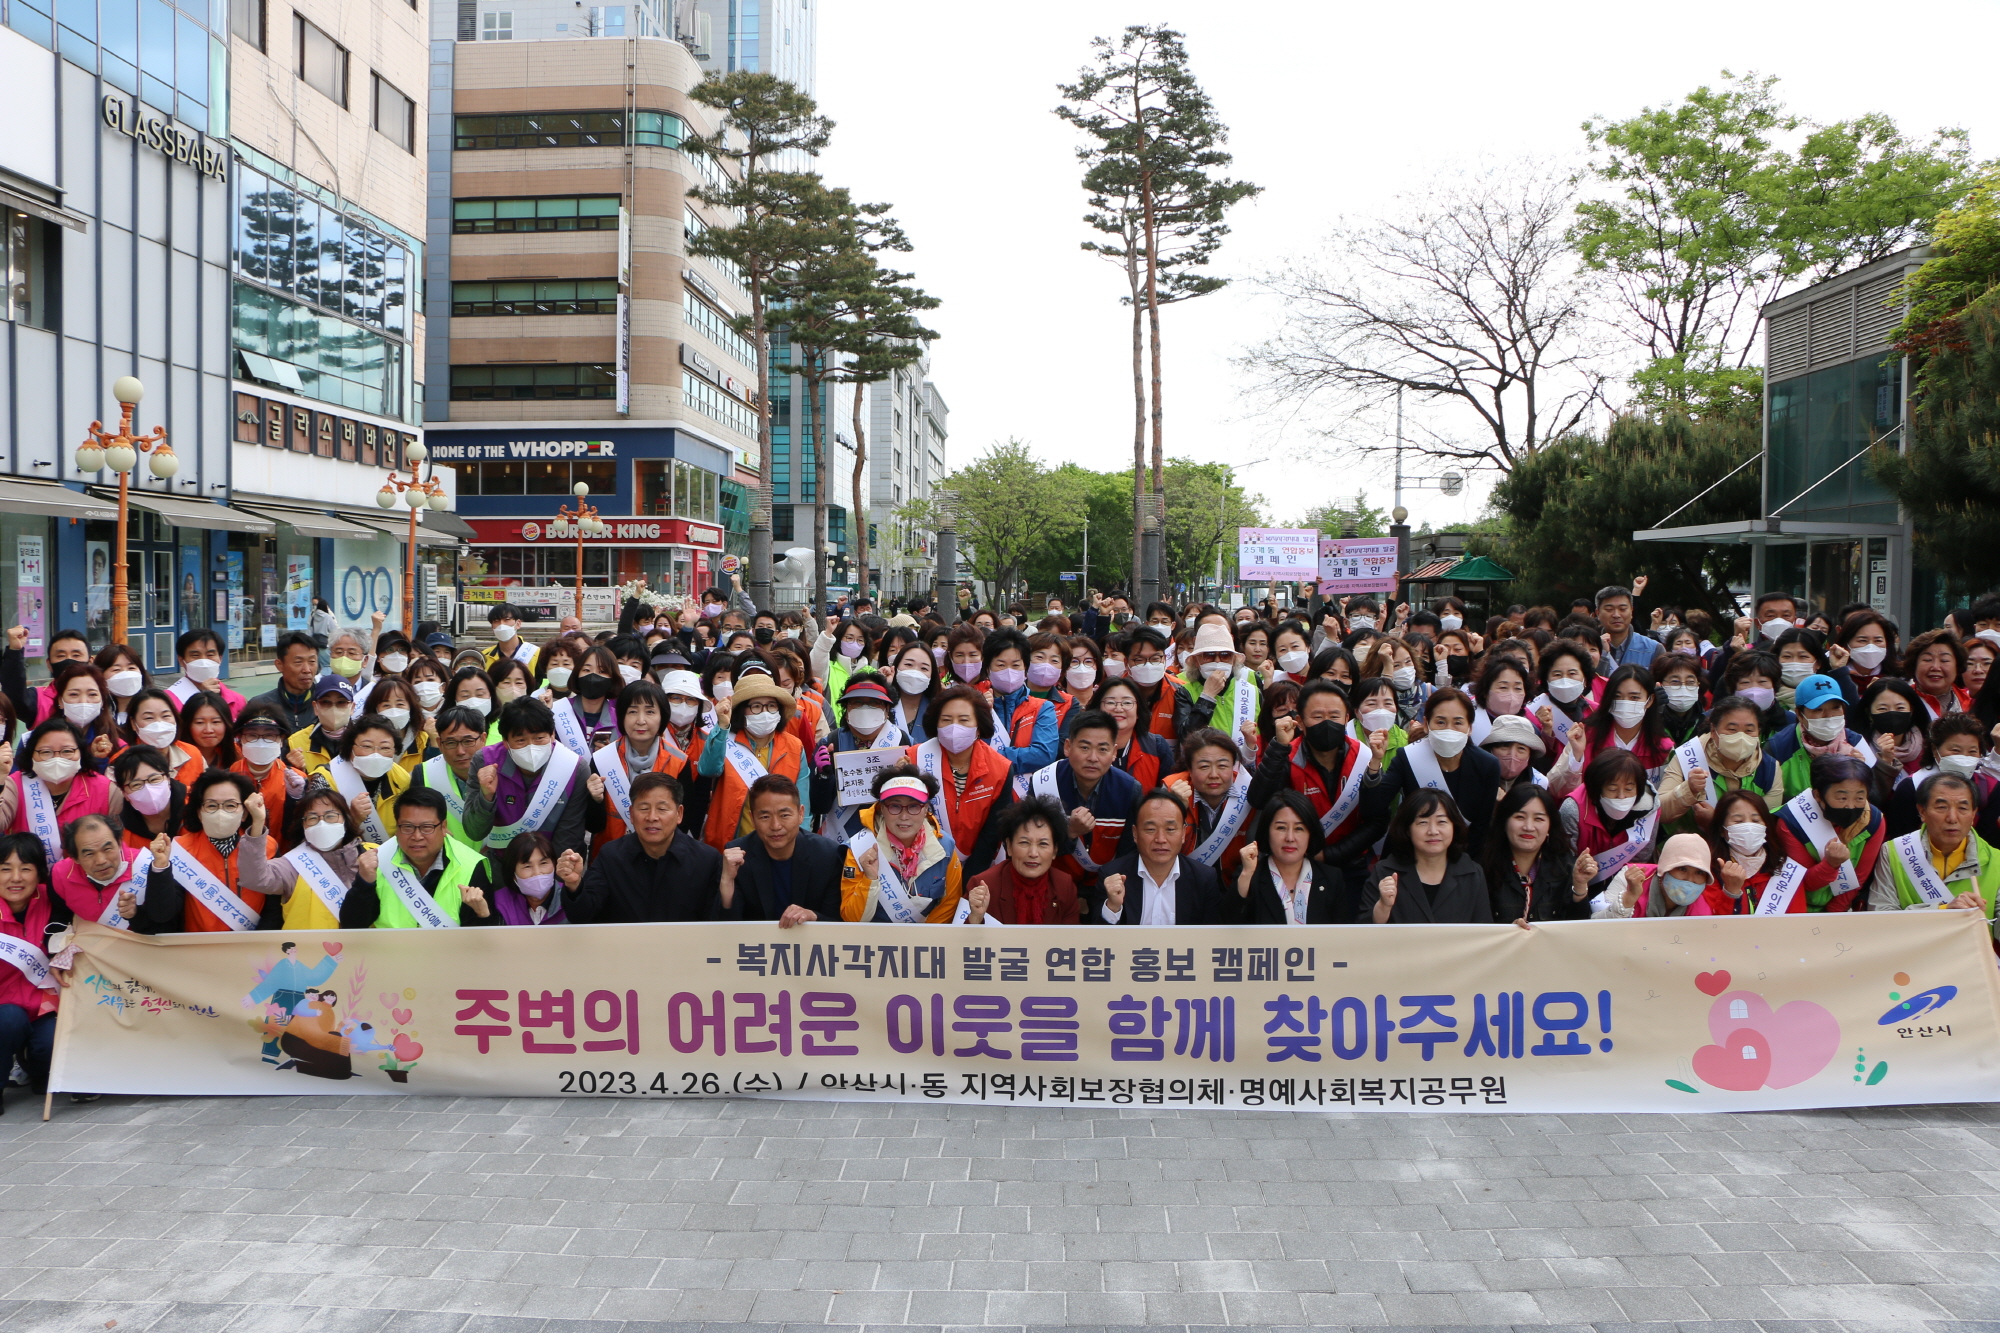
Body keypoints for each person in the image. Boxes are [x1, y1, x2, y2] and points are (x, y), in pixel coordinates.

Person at [562, 773, 726, 921]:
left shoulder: (706, 860)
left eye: (662, 809)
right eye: (644, 808)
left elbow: (717, 923)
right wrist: (575, 886)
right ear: (632, 814)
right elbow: (583, 916)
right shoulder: (611, 856)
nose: (652, 817)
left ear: (679, 814)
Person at [1362, 687, 1503, 856]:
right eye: (1441, 722)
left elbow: (1481, 828)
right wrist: (1376, 761)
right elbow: (1372, 807)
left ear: (1469, 728)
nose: (1448, 729)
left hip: (1460, 857)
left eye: (1458, 722)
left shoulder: (1487, 765)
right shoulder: (1407, 757)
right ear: (1427, 724)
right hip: (1409, 855)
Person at [1016, 709, 1141, 895]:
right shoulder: (1043, 781)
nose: (1093, 757)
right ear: (1067, 747)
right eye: (1084, 747)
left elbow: (1128, 854)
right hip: (1051, 886)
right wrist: (1070, 832)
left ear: (1114, 752)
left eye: (1103, 749)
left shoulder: (1129, 789)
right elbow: (1031, 845)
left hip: (1106, 888)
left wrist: (1097, 894)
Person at [337, 787, 492, 928]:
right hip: (391, 954)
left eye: (426, 827)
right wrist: (364, 883)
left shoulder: (471, 865)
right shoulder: (377, 861)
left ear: (443, 827)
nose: (417, 836)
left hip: (447, 956)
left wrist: (482, 915)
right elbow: (352, 926)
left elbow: (480, 942)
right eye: (407, 827)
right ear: (397, 827)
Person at [147, 770, 279, 932]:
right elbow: (162, 913)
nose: (220, 812)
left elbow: (274, 909)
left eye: (230, 805)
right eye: (211, 805)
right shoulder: (179, 850)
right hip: (200, 949)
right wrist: (160, 869)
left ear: (244, 813)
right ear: (199, 813)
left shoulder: (267, 847)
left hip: (252, 948)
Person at [464, 698, 589, 861]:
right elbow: (474, 831)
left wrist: (544, 875)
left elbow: (569, 835)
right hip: (502, 864)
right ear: (506, 742)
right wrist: (486, 796)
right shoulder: (485, 761)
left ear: (552, 735)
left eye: (539, 738)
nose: (531, 747)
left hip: (554, 866)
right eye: (521, 740)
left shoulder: (575, 768)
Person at [239, 779, 373, 930]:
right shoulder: (293, 864)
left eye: (330, 816)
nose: (322, 823)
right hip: (309, 952)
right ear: (303, 824)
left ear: (346, 820)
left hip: (364, 951)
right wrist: (257, 822)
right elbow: (254, 878)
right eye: (313, 818)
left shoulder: (372, 855)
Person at [906, 685, 1014, 869]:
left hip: (977, 865)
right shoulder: (914, 759)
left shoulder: (1000, 769)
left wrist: (968, 879)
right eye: (946, 720)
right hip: (919, 863)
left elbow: (991, 834)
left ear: (979, 727)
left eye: (964, 720)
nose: (954, 727)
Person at [694, 674, 807, 849]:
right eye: (756, 706)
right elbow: (707, 769)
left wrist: (799, 845)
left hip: (781, 844)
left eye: (771, 706)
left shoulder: (794, 746)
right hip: (730, 843)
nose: (765, 712)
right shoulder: (725, 740)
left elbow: (803, 802)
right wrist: (722, 727)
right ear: (741, 711)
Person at [1870, 773, 1999, 926]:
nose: (1952, 818)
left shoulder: (1995, 860)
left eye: (1963, 808)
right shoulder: (1895, 851)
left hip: (1971, 949)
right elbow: (1880, 918)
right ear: (1922, 812)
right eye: (1941, 807)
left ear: (1972, 815)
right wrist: (1943, 910)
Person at [840, 766, 965, 923]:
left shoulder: (945, 847)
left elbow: (949, 905)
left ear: (925, 809)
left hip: (925, 944)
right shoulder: (859, 848)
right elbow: (851, 919)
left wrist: (919, 943)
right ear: (882, 809)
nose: (904, 816)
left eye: (913, 806)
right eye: (895, 806)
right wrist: (869, 880)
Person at [721, 774, 843, 925]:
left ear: (800, 814)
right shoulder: (738, 856)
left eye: (784, 815)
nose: (775, 826)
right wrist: (727, 881)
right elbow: (726, 928)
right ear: (752, 819)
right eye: (765, 817)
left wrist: (813, 916)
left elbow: (838, 922)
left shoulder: (827, 855)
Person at [1094, 788, 1226, 925]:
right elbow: (1097, 940)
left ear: (1183, 834)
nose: (1161, 839)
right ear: (1135, 833)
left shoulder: (1203, 878)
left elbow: (1211, 937)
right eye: (1151, 829)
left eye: (1170, 829)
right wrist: (1113, 907)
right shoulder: (1112, 875)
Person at [0, 832, 64, 1112]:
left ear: (38, 872)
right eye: (5, 869)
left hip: (44, 1006)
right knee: (9, 1020)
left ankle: (36, 1069)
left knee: (51, 1042)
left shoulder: (54, 904)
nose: (16, 878)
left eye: (25, 868)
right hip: (4, 1010)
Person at [1771, 754, 1882, 914]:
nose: (1850, 806)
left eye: (1859, 797)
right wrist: (1831, 864)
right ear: (1818, 795)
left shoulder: (1873, 821)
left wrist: (1833, 916)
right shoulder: (1791, 821)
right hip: (1797, 909)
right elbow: (1805, 884)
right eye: (1842, 798)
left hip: (1838, 911)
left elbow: (1858, 878)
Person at [1656, 695, 1783, 834]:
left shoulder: (1769, 769)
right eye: (1732, 730)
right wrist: (1688, 790)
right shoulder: (1688, 756)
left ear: (1758, 732)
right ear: (1713, 730)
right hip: (1687, 847)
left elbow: (1767, 825)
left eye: (1749, 730)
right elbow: (1661, 812)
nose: (1741, 736)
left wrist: (1715, 822)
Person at [4, 718, 119, 869]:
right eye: (46, 752)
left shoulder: (105, 789)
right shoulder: (15, 784)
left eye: (67, 751)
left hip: (86, 880)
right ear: (31, 754)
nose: (57, 758)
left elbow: (119, 844)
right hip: (27, 882)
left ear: (81, 752)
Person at [1361, 789, 1488, 924]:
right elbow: (1363, 933)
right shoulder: (1385, 871)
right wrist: (1383, 906)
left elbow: (1484, 931)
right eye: (1423, 822)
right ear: (1407, 829)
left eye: (1442, 822)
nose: (1433, 831)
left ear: (1454, 826)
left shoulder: (1472, 873)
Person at [1233, 790, 1347, 924]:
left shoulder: (1332, 878)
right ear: (1266, 831)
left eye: (1299, 829)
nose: (1290, 838)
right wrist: (1246, 875)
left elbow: (1342, 937)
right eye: (1281, 828)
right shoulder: (1249, 875)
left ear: (1311, 833)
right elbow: (1228, 927)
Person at [1482, 784, 1590, 925]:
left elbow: (1578, 931)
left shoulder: (1566, 867)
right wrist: (1507, 932)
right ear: (1504, 821)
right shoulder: (1483, 868)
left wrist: (1580, 886)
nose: (1528, 827)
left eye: (1538, 819)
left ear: (1550, 825)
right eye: (1520, 817)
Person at [962, 796, 1078, 925]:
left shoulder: (1064, 886)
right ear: (1009, 847)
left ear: (1055, 850)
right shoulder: (983, 885)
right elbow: (959, 943)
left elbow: (1073, 941)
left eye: (1043, 844)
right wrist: (976, 918)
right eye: (1024, 842)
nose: (1033, 853)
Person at [1163, 729, 1254, 889]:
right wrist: (1177, 811)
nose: (1214, 774)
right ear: (1189, 769)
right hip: (1182, 887)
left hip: (1235, 885)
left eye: (1222, 766)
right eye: (1204, 767)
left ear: (1234, 766)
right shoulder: (1172, 790)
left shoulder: (1249, 793)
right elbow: (1159, 850)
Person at [1561, 749, 1660, 896]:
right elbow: (1565, 860)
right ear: (1597, 788)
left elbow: (1641, 859)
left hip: (1624, 888)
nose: (1621, 796)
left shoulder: (1650, 810)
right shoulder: (1573, 809)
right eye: (1612, 789)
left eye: (1628, 789)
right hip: (1577, 885)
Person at [1767, 673, 1876, 799]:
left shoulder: (1856, 742)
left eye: (1836, 708)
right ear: (1800, 714)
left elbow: (1875, 798)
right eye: (1818, 709)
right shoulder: (1778, 748)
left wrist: (1861, 774)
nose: (1829, 716)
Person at [52, 813, 156, 931]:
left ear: (119, 843)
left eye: (107, 849)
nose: (101, 861)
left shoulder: (147, 866)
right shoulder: (60, 875)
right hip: (91, 942)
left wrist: (136, 914)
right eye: (89, 854)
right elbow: (60, 917)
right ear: (75, 858)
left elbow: (164, 922)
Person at [1588, 832, 1720, 919]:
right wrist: (1629, 898)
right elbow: (1596, 924)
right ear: (1664, 869)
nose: (1690, 880)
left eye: (1699, 872)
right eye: (1682, 869)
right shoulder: (1629, 876)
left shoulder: (1703, 910)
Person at [1178, 622, 1259, 757]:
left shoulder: (1252, 691)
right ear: (1197, 660)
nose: (1217, 660)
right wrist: (1207, 696)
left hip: (1242, 770)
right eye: (1209, 655)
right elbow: (1185, 736)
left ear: (1233, 660)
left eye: (1225, 655)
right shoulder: (1184, 691)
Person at [1703, 789, 1779, 916]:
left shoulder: (1784, 869)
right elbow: (1711, 926)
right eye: (1738, 821)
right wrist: (1730, 891)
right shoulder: (1708, 871)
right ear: (1722, 830)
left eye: (1756, 821)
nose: (1749, 828)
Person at [122, 688, 202, 785]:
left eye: (166, 716)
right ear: (133, 723)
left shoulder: (192, 754)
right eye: (149, 718)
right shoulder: (121, 762)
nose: (159, 724)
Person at [486, 831, 568, 925]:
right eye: (527, 866)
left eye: (543, 863)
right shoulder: (499, 902)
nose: (537, 873)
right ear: (513, 874)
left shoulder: (570, 898)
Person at [111, 745, 183, 852]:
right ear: (124, 793)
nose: (148, 789)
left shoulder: (197, 805)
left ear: (168, 779)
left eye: (154, 779)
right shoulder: (119, 832)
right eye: (136, 784)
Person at [286, 674, 357, 771]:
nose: (333, 708)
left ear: (352, 707)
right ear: (315, 707)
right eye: (325, 702)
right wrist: (298, 772)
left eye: (341, 702)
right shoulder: (295, 743)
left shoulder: (366, 739)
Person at [1593, 582, 1660, 675]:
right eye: (1609, 609)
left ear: (1631, 611)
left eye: (1622, 609)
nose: (1616, 615)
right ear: (1598, 613)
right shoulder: (1589, 649)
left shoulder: (1654, 649)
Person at [1904, 629, 1970, 720]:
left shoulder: (1970, 703)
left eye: (1944, 660)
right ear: (1914, 665)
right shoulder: (1901, 700)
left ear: (1957, 666)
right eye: (1927, 659)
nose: (1935, 667)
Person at [886, 641, 939, 744]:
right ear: (895, 667)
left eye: (924, 668)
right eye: (908, 664)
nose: (915, 672)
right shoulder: (881, 704)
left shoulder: (938, 710)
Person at [485, 602, 538, 670]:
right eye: (496, 621)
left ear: (518, 623)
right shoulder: (484, 656)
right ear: (492, 627)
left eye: (506, 619)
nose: (501, 625)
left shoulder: (535, 653)